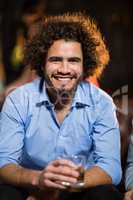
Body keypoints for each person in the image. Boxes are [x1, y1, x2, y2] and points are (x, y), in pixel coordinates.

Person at [0, 12, 123, 200]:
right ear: (42, 63)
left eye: (73, 60)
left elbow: (111, 168)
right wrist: (38, 179)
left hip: (80, 188)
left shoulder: (102, 103)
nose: (64, 69)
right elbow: (4, 163)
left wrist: (66, 184)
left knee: (106, 194)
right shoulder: (18, 101)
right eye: (55, 60)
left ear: (85, 65)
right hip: (31, 186)